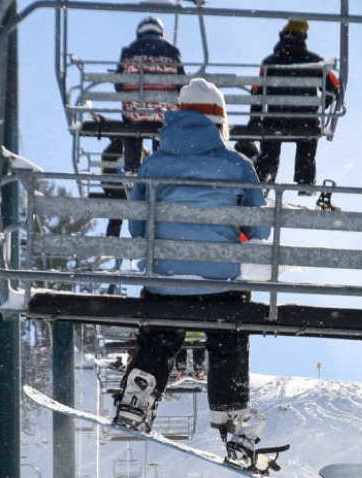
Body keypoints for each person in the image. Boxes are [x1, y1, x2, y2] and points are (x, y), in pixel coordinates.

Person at [112, 78, 273, 466]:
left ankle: (141, 390)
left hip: (166, 285)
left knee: (161, 331)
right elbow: (260, 229)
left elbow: (137, 229)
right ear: (221, 121)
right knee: (228, 337)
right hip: (220, 288)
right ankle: (232, 418)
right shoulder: (237, 165)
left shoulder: (154, 165)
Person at [243, 18, 340, 188]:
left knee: (270, 141)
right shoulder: (315, 62)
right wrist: (324, 103)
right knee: (308, 138)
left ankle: (264, 176)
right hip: (305, 122)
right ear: (304, 37)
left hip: (274, 121)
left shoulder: (269, 62)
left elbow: (257, 92)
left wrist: (255, 119)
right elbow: (335, 87)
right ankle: (305, 179)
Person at [116, 16, 182, 174]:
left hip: (136, 112)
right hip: (164, 114)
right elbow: (181, 85)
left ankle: (132, 166)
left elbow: (119, 85)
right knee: (166, 125)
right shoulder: (173, 52)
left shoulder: (128, 52)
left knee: (131, 124)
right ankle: (160, 165)